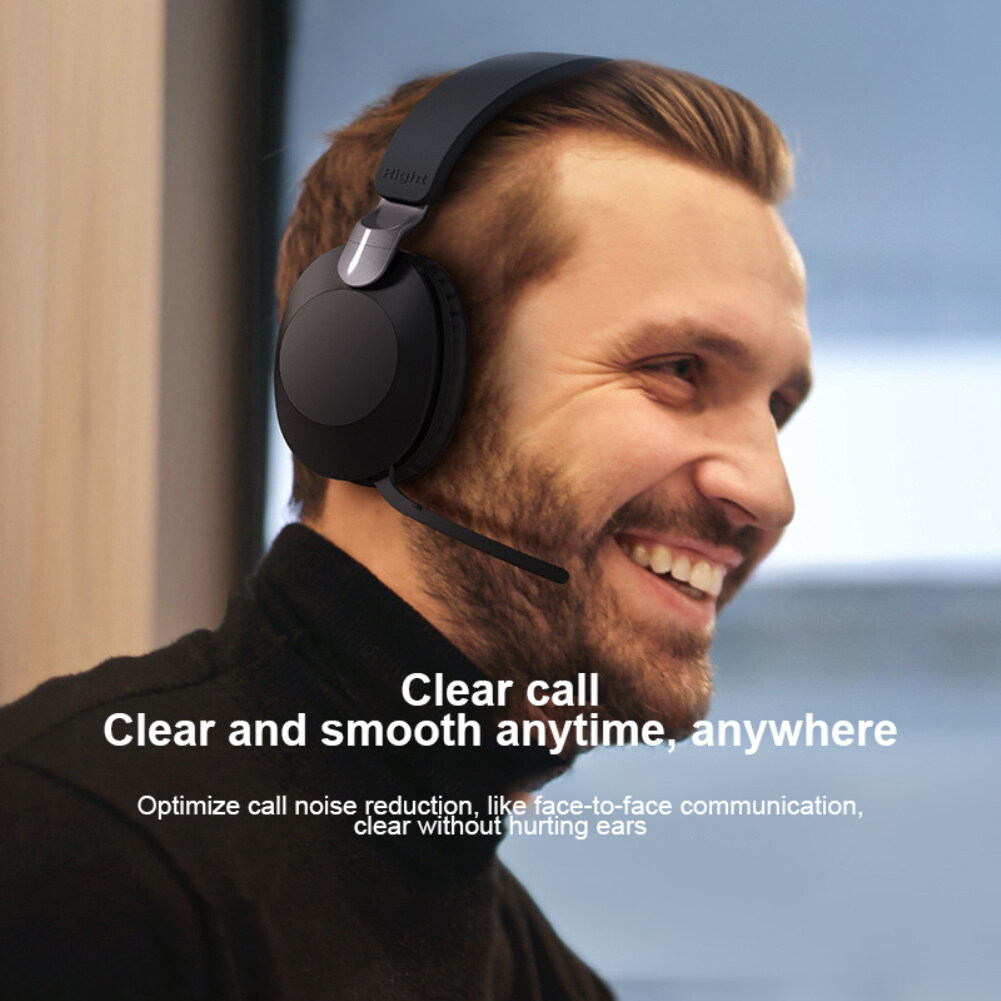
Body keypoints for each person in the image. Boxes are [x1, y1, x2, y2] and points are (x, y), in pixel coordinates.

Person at [0, 56, 811, 1000]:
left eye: (776, 408)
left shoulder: (532, 968)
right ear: (375, 378)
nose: (769, 493)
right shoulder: (74, 856)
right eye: (677, 369)